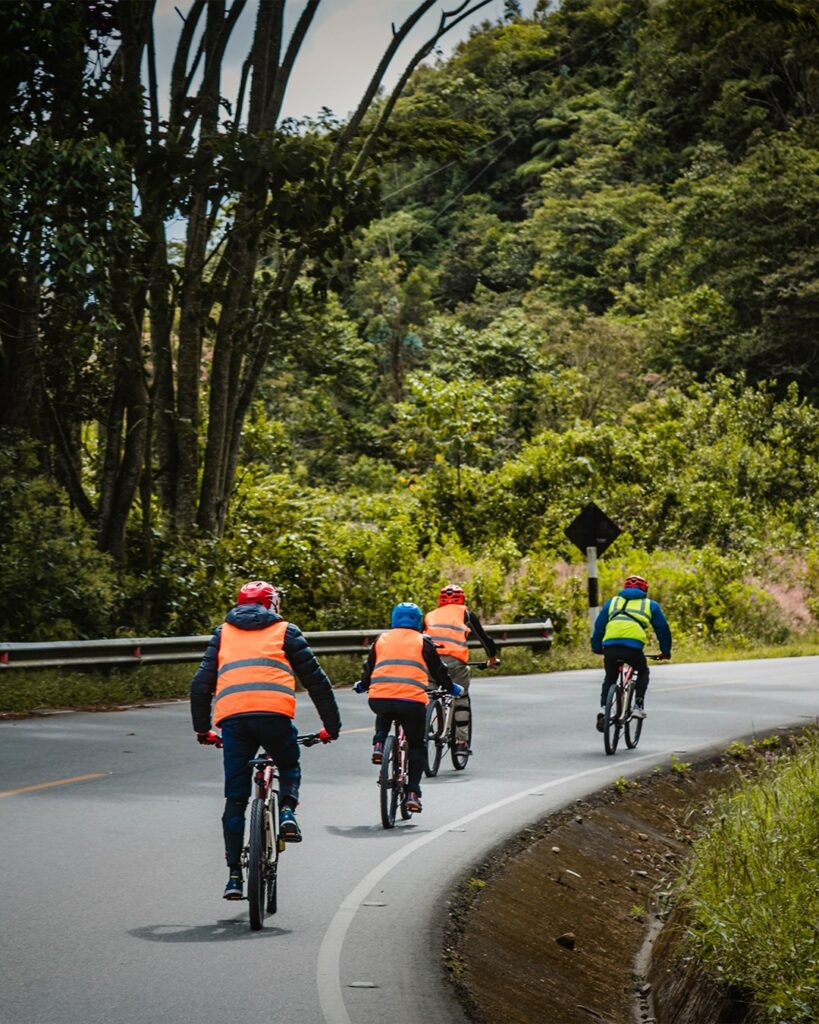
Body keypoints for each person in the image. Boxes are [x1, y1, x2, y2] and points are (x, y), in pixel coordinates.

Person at [190, 580, 341, 900]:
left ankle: (233, 876)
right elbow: (317, 682)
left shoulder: (223, 632)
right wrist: (332, 727)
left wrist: (202, 730)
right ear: (272, 605)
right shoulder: (286, 631)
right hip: (274, 716)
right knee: (288, 765)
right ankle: (286, 812)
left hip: (233, 721)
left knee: (236, 798)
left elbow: (201, 684)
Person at [354, 602, 462, 815]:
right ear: (418, 621)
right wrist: (452, 688)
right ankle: (412, 793)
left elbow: (369, 669)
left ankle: (378, 743)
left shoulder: (381, 640)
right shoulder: (423, 642)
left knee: (384, 709)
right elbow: (439, 672)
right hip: (412, 703)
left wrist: (363, 685)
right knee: (416, 746)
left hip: (379, 699)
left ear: (394, 619)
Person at [423, 584, 500, 753]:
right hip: (455, 662)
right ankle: (461, 742)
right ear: (462, 599)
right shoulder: (465, 614)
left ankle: (422, 728)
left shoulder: (429, 615)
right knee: (461, 697)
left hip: (430, 661)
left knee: (427, 694)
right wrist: (492, 659)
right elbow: (485, 640)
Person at [591, 575, 672, 732]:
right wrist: (665, 651)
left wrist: (596, 647)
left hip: (610, 646)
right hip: (633, 648)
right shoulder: (650, 605)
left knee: (610, 676)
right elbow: (663, 630)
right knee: (642, 670)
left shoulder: (612, 602)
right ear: (645, 590)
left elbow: (599, 626)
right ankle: (638, 706)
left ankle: (603, 709)